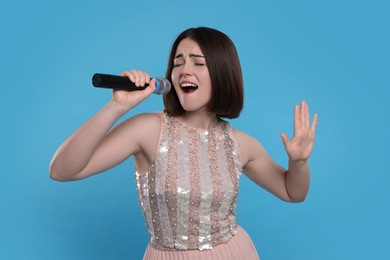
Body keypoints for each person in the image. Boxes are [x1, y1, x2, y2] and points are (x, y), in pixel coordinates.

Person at [50, 27, 318, 260]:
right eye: (178, 62)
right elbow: (62, 171)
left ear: (223, 73)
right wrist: (116, 107)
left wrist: (299, 162)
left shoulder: (241, 144)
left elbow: (292, 192)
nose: (184, 70)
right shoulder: (148, 129)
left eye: (198, 63)